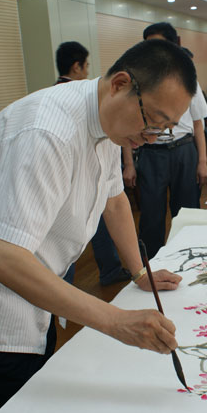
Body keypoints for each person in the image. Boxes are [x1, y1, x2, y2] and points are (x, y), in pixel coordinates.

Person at [0, 39, 196, 413]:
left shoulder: (109, 121)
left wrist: (139, 271)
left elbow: (114, 199)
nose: (151, 137)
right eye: (152, 121)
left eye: (164, 129)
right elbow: (5, 260)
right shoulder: (47, 131)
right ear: (120, 84)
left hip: (38, 292)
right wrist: (115, 320)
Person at [122, 22, 207, 259]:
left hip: (184, 150)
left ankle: (189, 257)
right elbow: (125, 125)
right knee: (151, 216)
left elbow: (198, 123)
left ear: (172, 46)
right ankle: (151, 265)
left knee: (187, 211)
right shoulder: (137, 81)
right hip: (151, 153)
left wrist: (202, 162)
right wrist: (129, 164)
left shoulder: (188, 78)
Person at [55, 41, 131, 286]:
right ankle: (108, 270)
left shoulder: (100, 112)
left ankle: (109, 269)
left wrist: (140, 272)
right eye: (86, 66)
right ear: (77, 66)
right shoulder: (60, 116)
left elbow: (115, 201)